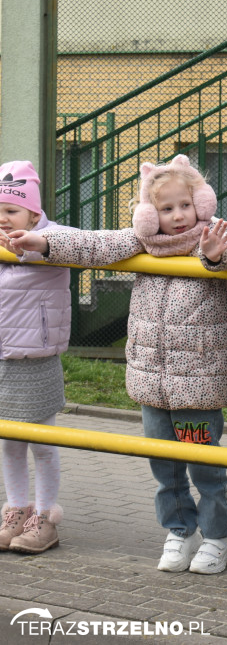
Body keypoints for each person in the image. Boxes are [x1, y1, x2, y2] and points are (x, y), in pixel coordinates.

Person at [8, 155, 227, 573]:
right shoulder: (143, 242)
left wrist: (213, 257)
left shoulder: (214, 237)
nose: (178, 216)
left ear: (201, 204)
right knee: (163, 466)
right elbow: (93, 244)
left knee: (204, 464)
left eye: (185, 205)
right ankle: (179, 531)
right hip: (152, 382)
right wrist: (43, 243)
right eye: (166, 209)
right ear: (150, 215)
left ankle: (218, 537)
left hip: (197, 385)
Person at [0, 161, 72, 554]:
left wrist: (32, 246)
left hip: (36, 356)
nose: (3, 219)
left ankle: (44, 515)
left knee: (42, 443)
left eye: (11, 211)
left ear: (32, 211)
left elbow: (76, 244)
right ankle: (15, 509)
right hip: (2, 358)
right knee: (9, 442)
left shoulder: (53, 236)